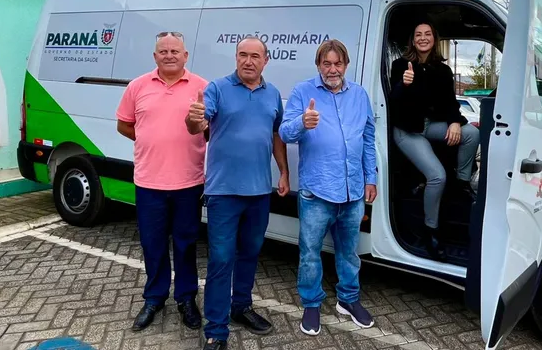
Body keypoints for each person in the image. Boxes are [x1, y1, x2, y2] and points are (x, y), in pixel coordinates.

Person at [186, 37, 290, 350]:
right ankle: (216, 331)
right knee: (220, 260)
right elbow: (200, 123)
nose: (248, 61)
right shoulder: (217, 89)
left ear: (265, 61)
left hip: (259, 192)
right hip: (223, 194)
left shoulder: (272, 94)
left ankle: (240, 306)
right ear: (236, 57)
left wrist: (284, 171)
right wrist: (194, 119)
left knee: (250, 253)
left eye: (255, 56)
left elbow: (275, 135)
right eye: (242, 55)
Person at [279, 39, 377, 336]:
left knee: (349, 252)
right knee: (310, 252)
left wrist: (370, 176)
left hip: (352, 190)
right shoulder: (303, 92)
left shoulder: (359, 94)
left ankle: (348, 300)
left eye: (337, 63)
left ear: (345, 65)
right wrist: (302, 123)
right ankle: (311, 303)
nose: (332, 69)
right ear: (318, 65)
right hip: (316, 191)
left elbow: (368, 138)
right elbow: (284, 132)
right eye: (326, 63)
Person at [116, 31, 206, 332]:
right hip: (149, 182)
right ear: (155, 56)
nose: (169, 55)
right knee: (152, 245)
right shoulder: (137, 86)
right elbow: (124, 124)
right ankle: (154, 298)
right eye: (163, 51)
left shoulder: (202, 87)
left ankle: (186, 298)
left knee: (185, 244)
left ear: (185, 56)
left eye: (175, 51)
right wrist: (149, 139)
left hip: (188, 183)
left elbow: (210, 131)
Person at [388, 22, 479, 260]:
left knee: (472, 133)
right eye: (418, 34)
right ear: (413, 40)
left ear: (434, 38)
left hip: (429, 126)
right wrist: (403, 84)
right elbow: (393, 101)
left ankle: (461, 183)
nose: (423, 38)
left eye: (427, 34)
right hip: (407, 130)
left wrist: (456, 122)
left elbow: (450, 103)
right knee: (437, 176)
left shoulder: (443, 70)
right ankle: (431, 230)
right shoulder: (401, 65)